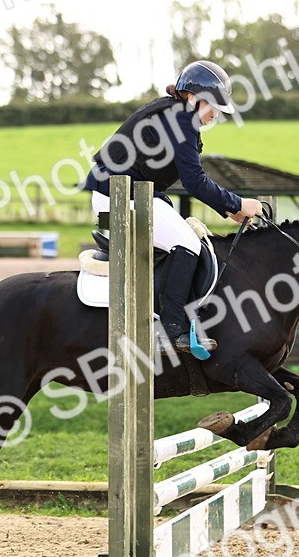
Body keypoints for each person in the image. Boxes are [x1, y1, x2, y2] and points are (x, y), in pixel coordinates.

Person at [83, 60, 264, 355]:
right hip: (119, 196)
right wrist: (238, 202)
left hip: (127, 192)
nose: (215, 114)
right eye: (212, 107)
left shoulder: (174, 113)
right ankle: (170, 331)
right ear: (194, 98)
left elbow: (187, 178)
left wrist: (229, 210)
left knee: (182, 238)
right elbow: (194, 181)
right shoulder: (181, 119)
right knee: (188, 244)